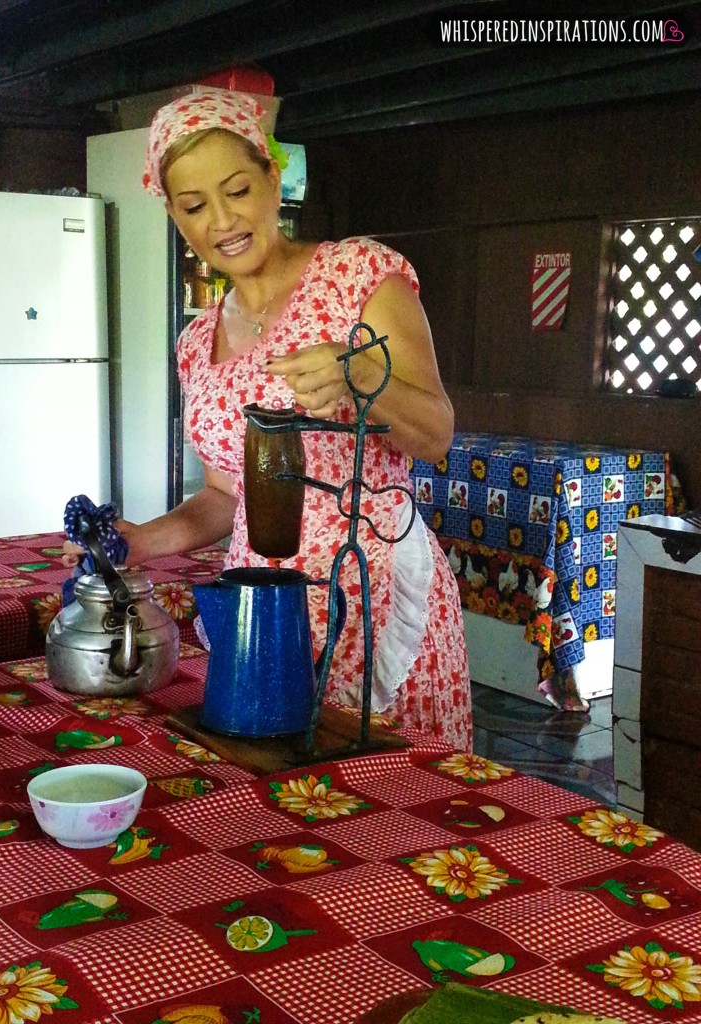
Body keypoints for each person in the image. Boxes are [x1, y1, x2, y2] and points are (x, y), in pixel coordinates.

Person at [66, 88, 471, 747]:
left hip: (372, 592)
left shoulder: (357, 277)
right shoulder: (198, 342)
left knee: (384, 811)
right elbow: (225, 496)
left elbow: (436, 434)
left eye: (237, 190)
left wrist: (363, 375)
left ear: (272, 178)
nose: (221, 220)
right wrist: (139, 541)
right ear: (171, 211)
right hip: (263, 604)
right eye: (194, 206)